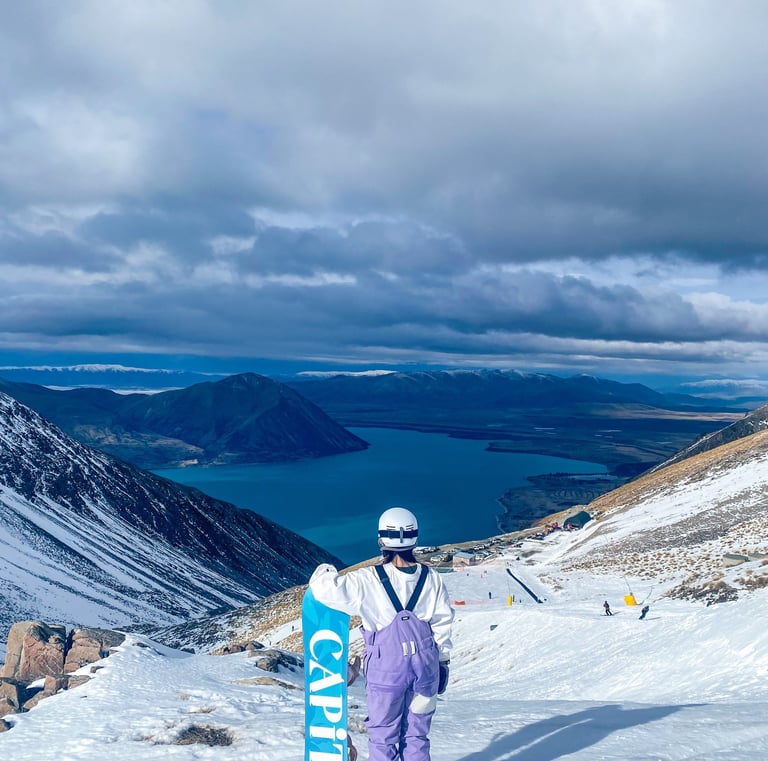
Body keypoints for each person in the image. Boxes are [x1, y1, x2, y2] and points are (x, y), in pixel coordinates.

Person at [309, 506, 454, 761]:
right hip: (426, 669)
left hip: (387, 670)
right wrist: (443, 663)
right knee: (417, 737)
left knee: (383, 737)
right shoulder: (432, 578)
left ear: (381, 540)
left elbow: (323, 589)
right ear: (415, 538)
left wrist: (325, 570)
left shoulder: (367, 580)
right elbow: (442, 623)